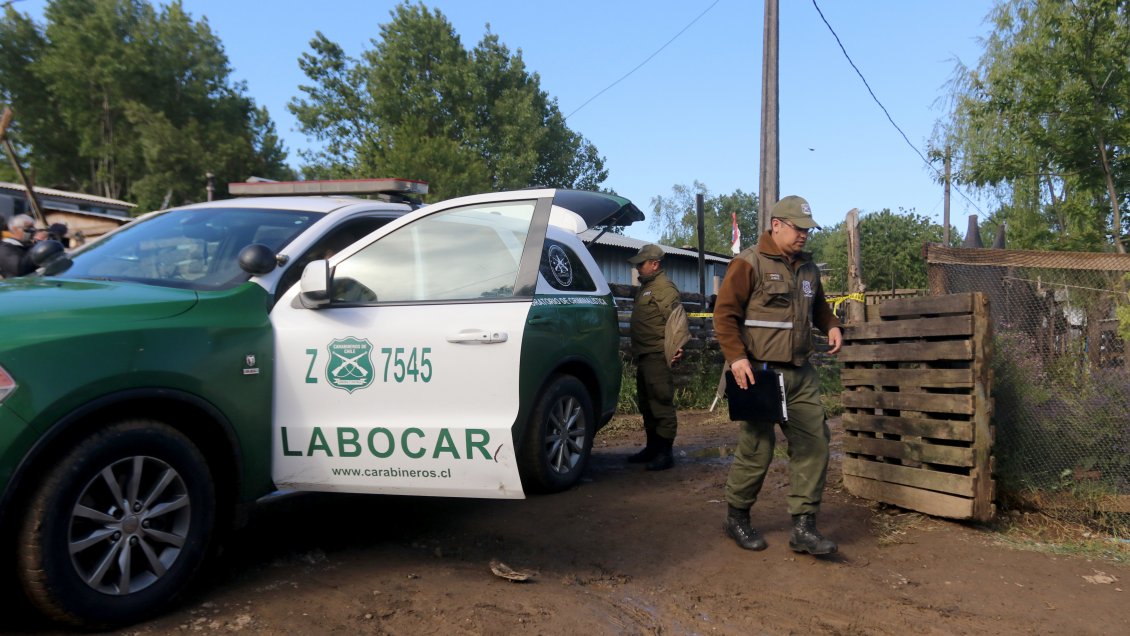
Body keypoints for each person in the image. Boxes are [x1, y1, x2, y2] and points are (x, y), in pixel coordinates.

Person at [713, 195, 843, 555]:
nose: (804, 235)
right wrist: (736, 359)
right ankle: (736, 517)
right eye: (798, 229)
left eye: (808, 229)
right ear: (777, 226)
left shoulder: (808, 270)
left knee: (814, 442)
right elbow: (724, 315)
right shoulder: (748, 263)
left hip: (800, 372)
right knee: (758, 448)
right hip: (759, 372)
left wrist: (831, 325)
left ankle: (804, 527)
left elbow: (818, 309)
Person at [626, 243, 686, 471]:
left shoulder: (664, 288)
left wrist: (678, 347)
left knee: (661, 403)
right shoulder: (647, 287)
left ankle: (665, 452)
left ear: (654, 264)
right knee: (647, 404)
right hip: (644, 355)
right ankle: (652, 448)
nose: (638, 268)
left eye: (641, 264)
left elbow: (677, 320)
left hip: (658, 355)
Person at [0, 214, 36, 278]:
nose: (32, 231)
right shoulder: (5, 247)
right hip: (14, 286)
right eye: (28, 228)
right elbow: (18, 269)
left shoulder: (30, 245)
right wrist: (37, 251)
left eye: (33, 228)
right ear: (15, 229)